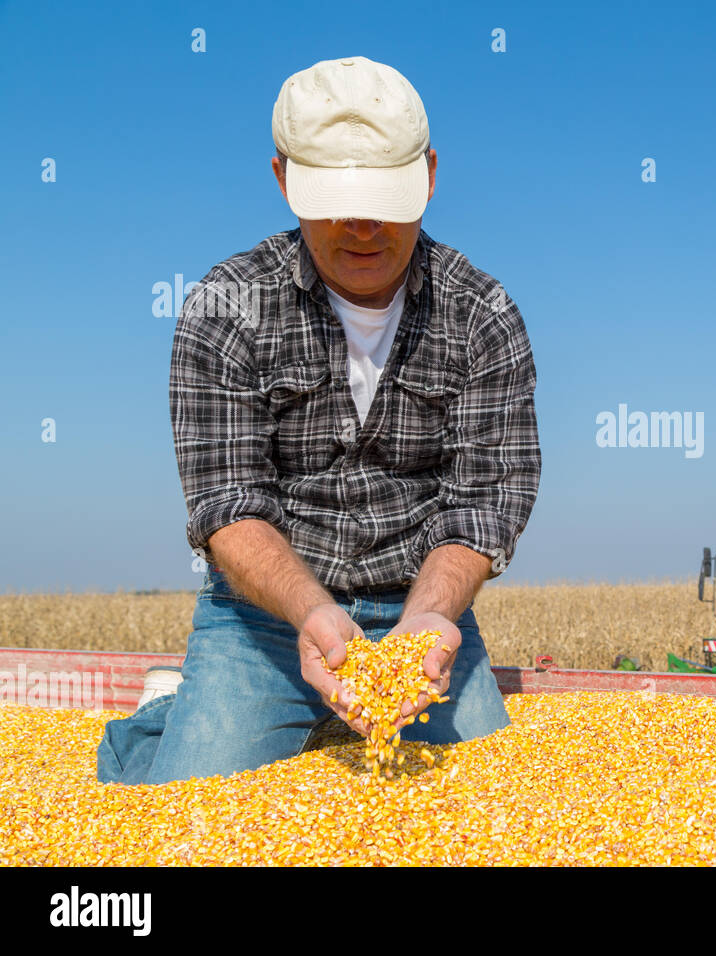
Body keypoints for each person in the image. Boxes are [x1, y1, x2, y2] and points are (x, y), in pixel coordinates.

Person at [98, 56, 542, 785]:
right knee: (189, 801)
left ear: (428, 175)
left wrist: (429, 618)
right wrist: (309, 612)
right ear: (283, 180)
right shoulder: (225, 306)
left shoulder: (482, 314)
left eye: (384, 199)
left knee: (485, 800)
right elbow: (227, 504)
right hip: (268, 622)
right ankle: (163, 722)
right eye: (335, 201)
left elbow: (486, 503)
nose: (362, 227)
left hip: (421, 616)